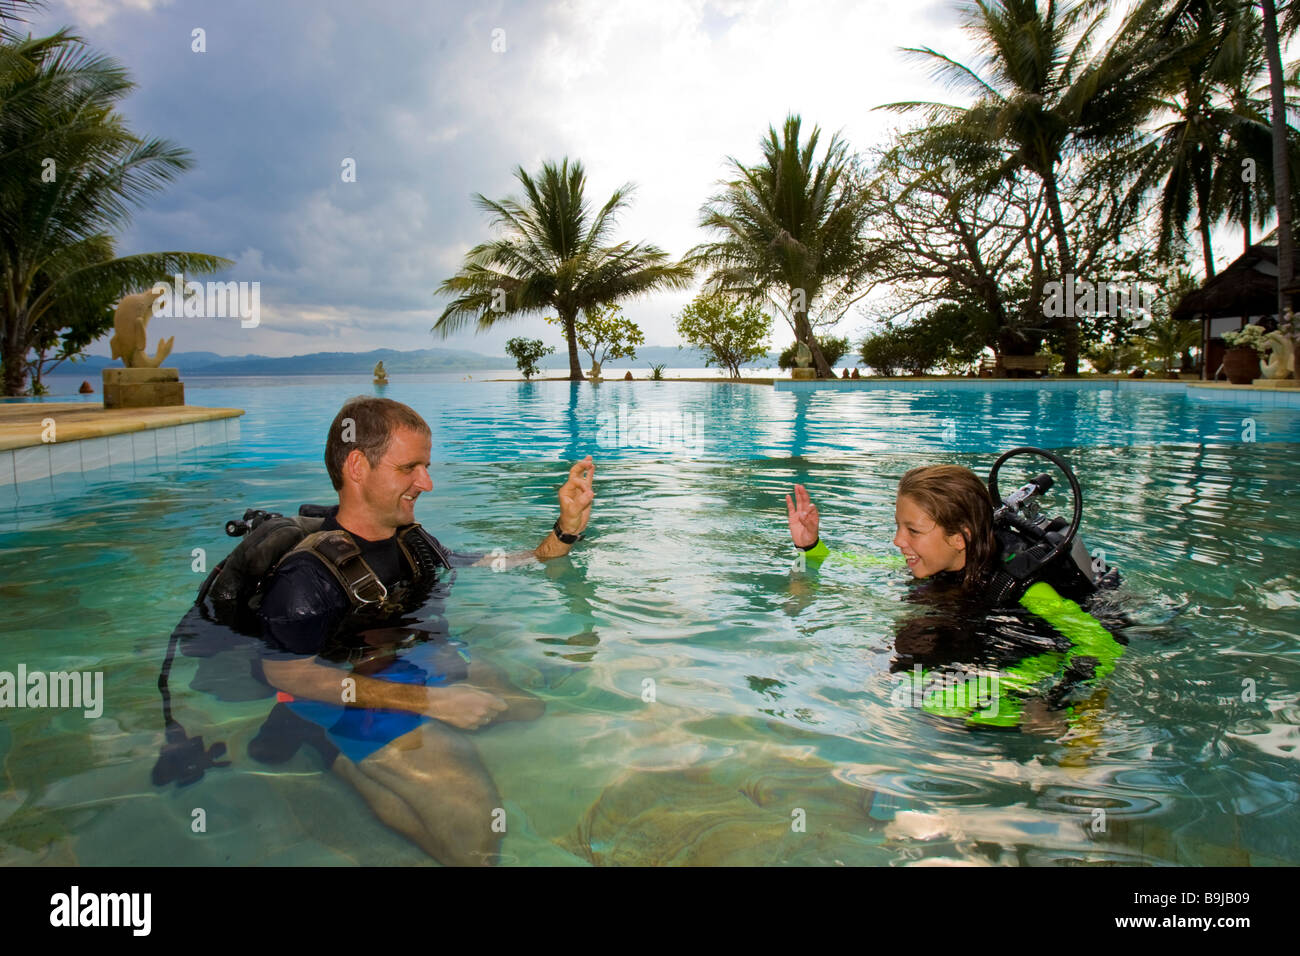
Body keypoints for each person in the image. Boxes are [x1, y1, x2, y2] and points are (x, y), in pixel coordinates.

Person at [251, 396, 595, 864]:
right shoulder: (305, 579)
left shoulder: (412, 541)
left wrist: (566, 530)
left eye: (426, 467)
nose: (427, 483)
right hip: (344, 688)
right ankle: (324, 745)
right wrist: (432, 704)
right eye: (410, 468)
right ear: (357, 465)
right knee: (475, 843)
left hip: (414, 660)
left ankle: (392, 742)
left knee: (526, 709)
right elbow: (287, 675)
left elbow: (495, 563)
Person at [785, 464, 1124, 731]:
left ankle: (1051, 727)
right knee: (879, 664)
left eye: (912, 531)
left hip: (1038, 647)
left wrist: (1055, 699)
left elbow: (1102, 644)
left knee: (939, 705)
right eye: (898, 526)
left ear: (960, 538)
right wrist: (811, 547)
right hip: (977, 635)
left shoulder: (1018, 584)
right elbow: (861, 563)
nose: (897, 541)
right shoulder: (940, 560)